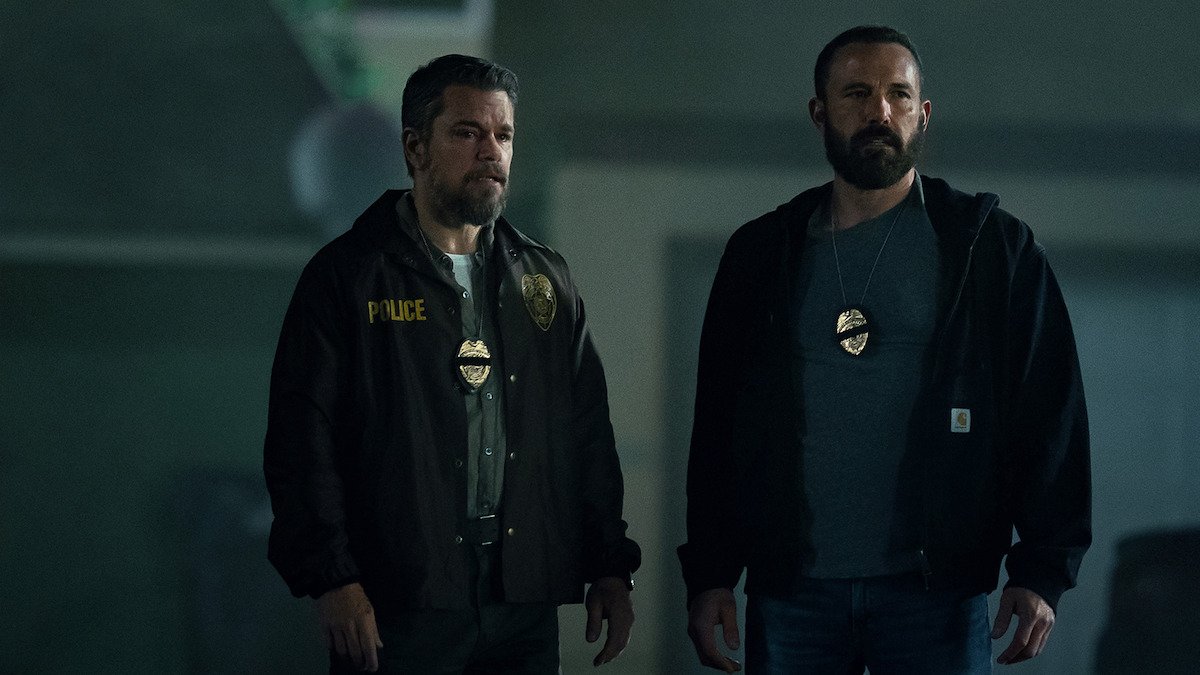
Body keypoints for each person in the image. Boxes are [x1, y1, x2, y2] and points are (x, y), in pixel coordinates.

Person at [679, 26, 1091, 673]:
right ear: (819, 112)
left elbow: (1050, 411)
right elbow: (719, 428)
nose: (879, 111)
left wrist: (1043, 570)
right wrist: (709, 575)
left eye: (898, 94)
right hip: (794, 592)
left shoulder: (989, 248)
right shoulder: (761, 255)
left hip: (936, 594)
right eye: (856, 93)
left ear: (922, 114)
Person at [264, 54, 640, 673]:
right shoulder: (347, 277)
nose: (491, 151)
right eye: (468, 133)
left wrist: (609, 566)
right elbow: (302, 442)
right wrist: (333, 579)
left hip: (520, 599)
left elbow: (587, 434)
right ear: (415, 148)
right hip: (397, 599)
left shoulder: (544, 279)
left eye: (503, 135)